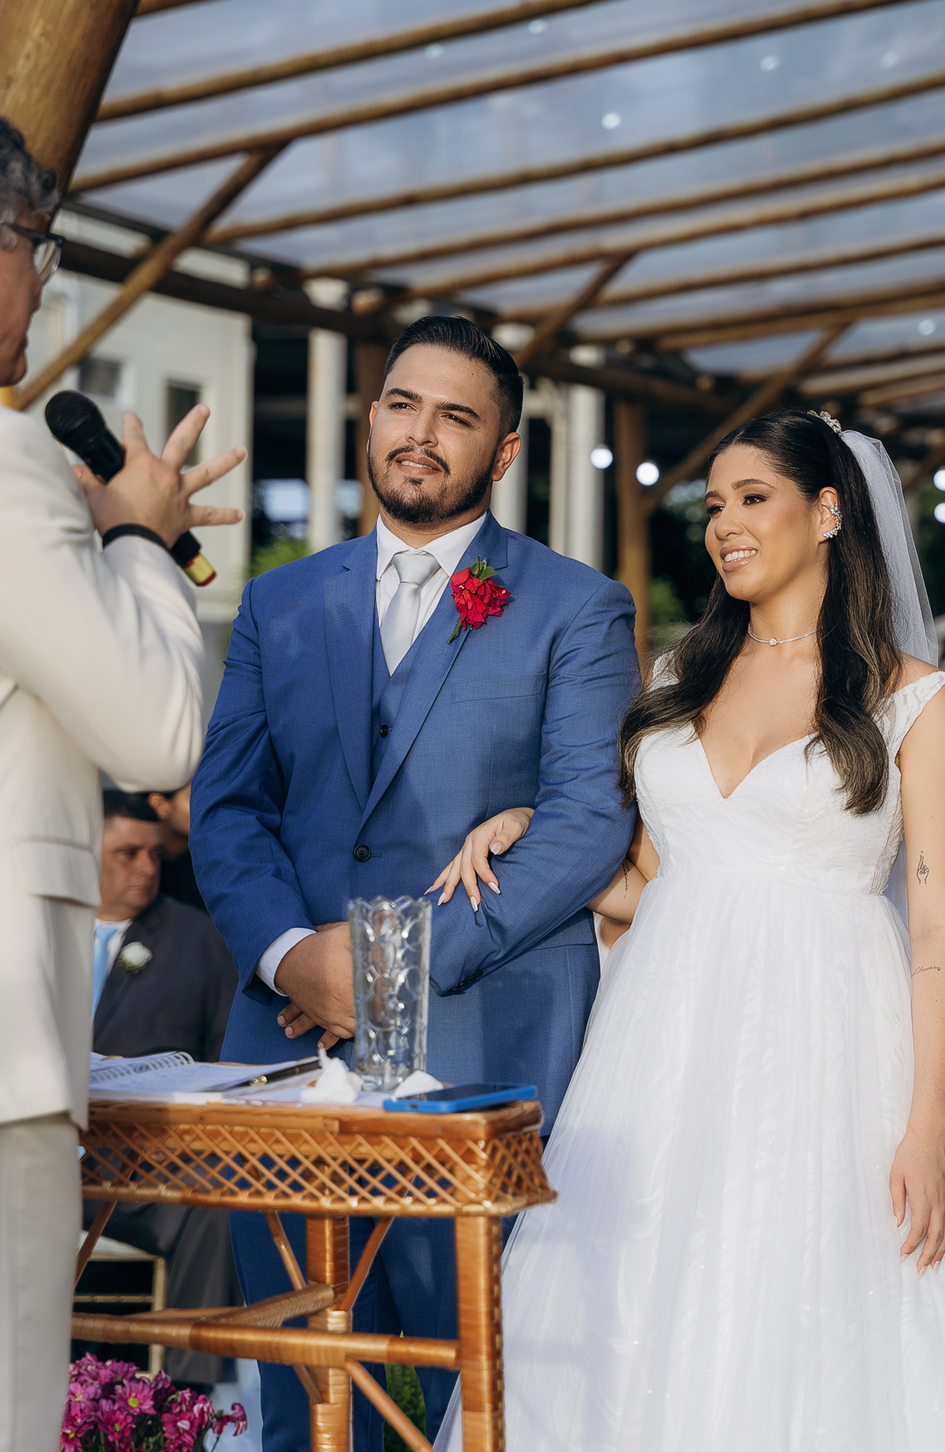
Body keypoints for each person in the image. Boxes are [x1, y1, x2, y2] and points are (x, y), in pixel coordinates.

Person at [434, 408, 945, 1451]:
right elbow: (661, 884)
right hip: (659, 1057)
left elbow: (937, 925)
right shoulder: (676, 680)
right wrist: (535, 834)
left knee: (825, 1328)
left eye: (754, 498)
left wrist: (929, 1126)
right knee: (633, 1317)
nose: (725, 525)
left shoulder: (917, 702)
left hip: (834, 1056)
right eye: (714, 506)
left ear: (830, 510)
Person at [190, 315, 640, 1447]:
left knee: (466, 1385)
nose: (419, 433)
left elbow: (588, 819)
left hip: (480, 1042)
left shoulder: (577, 607)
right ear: (370, 417)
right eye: (401, 403)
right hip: (286, 1048)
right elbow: (229, 807)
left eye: (456, 415)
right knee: (304, 1388)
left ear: (503, 453)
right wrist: (295, 955)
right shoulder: (281, 601)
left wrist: (387, 969)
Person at [0, 114, 245, 1452]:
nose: (42, 284)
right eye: (37, 247)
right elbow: (158, 733)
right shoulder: (8, 462)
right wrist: (144, 545)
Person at [87, 792, 239, 1386]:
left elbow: (230, 1064)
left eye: (155, 853)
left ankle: (184, 1408)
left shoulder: (198, 942)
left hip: (138, 1176)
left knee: (215, 1207)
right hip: (35, 1160)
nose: (148, 868)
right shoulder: (25, 932)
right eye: (127, 853)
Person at [146, 780, 207, 913]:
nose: (207, 807)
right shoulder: (140, 865)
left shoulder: (214, 860)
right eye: (196, 798)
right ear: (159, 805)